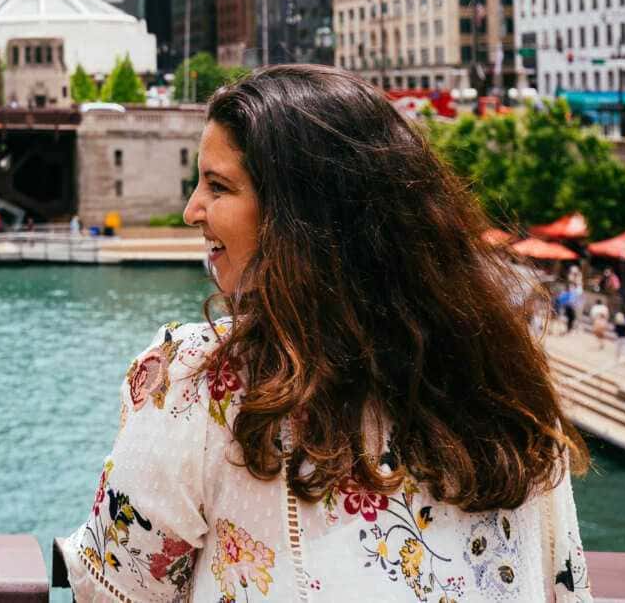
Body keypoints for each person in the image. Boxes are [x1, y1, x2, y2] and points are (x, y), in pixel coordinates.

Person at [58, 66, 590, 603]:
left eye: (218, 186)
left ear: (299, 217)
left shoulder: (201, 384)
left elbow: (114, 589)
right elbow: (564, 583)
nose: (191, 210)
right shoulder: (510, 386)